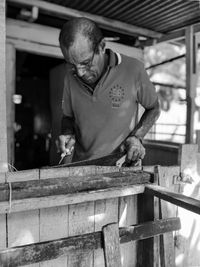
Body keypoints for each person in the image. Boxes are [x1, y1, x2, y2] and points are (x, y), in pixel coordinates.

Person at [57, 17, 160, 165]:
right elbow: (68, 116)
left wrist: (136, 137)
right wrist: (67, 134)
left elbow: (154, 108)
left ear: (102, 46)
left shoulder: (133, 69)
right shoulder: (70, 77)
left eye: (86, 63)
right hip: (81, 167)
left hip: (122, 166)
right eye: (72, 64)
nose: (79, 73)